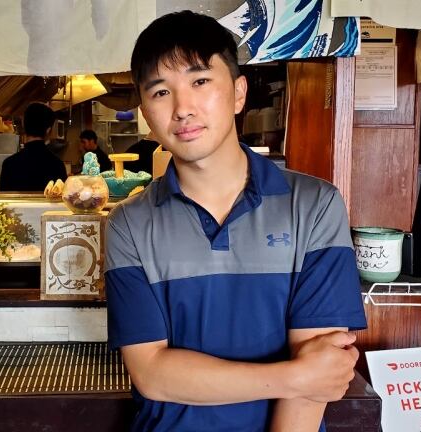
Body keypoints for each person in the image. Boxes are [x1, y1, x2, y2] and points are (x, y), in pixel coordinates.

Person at [104, 10, 366, 432]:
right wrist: (291, 375)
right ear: (145, 112)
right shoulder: (128, 224)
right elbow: (151, 373)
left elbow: (320, 367)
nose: (183, 108)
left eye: (201, 81)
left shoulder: (314, 205)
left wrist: (304, 377)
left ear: (239, 92)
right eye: (160, 92)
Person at [0, 102, 67, 191]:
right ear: (48, 130)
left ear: (23, 125)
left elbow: (3, 202)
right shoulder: (57, 165)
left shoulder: (9, 164)